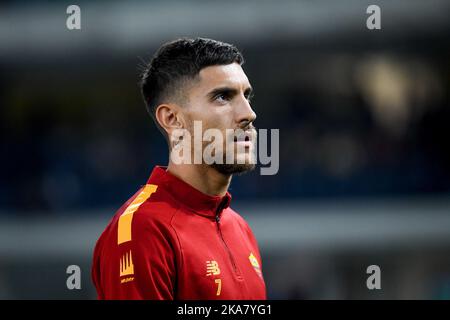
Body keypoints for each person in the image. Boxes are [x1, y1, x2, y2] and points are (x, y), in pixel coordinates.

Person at [91, 38, 266, 299]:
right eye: (222, 96)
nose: (248, 113)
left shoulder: (240, 228)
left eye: (246, 95)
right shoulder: (143, 230)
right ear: (172, 119)